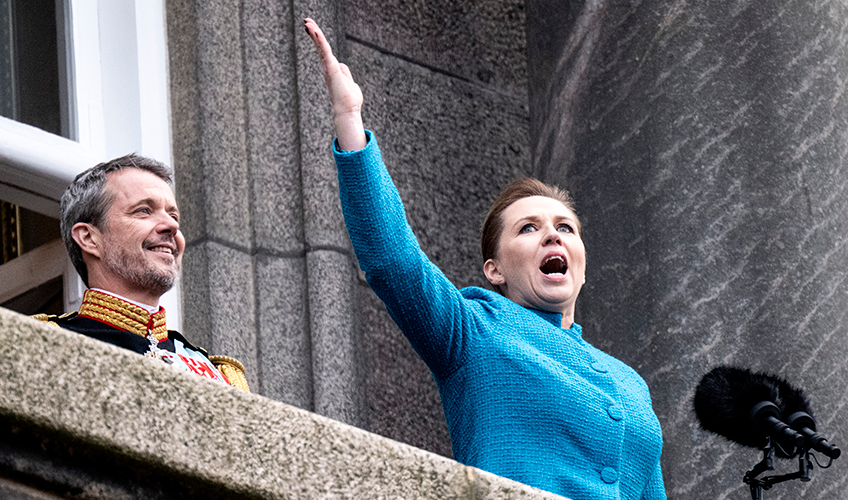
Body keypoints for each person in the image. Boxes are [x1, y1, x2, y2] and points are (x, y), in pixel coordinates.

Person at [304, 18, 665, 499]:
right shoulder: (473, 331)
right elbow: (393, 260)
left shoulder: (631, 385)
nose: (551, 237)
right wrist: (350, 120)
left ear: (582, 263)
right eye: (528, 228)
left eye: (565, 228)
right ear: (493, 270)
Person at [33, 154, 249, 392]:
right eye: (144, 211)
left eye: (173, 215)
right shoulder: (45, 343)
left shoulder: (221, 374)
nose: (172, 226)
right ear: (89, 238)